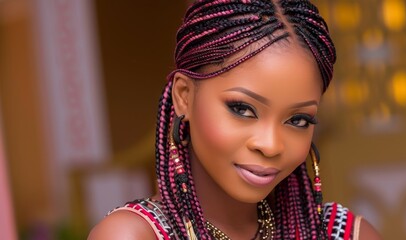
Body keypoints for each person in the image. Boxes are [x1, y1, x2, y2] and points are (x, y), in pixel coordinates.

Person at [89, 0, 382, 239]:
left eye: (298, 120)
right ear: (184, 97)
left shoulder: (345, 234)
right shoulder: (133, 235)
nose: (270, 145)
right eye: (242, 109)